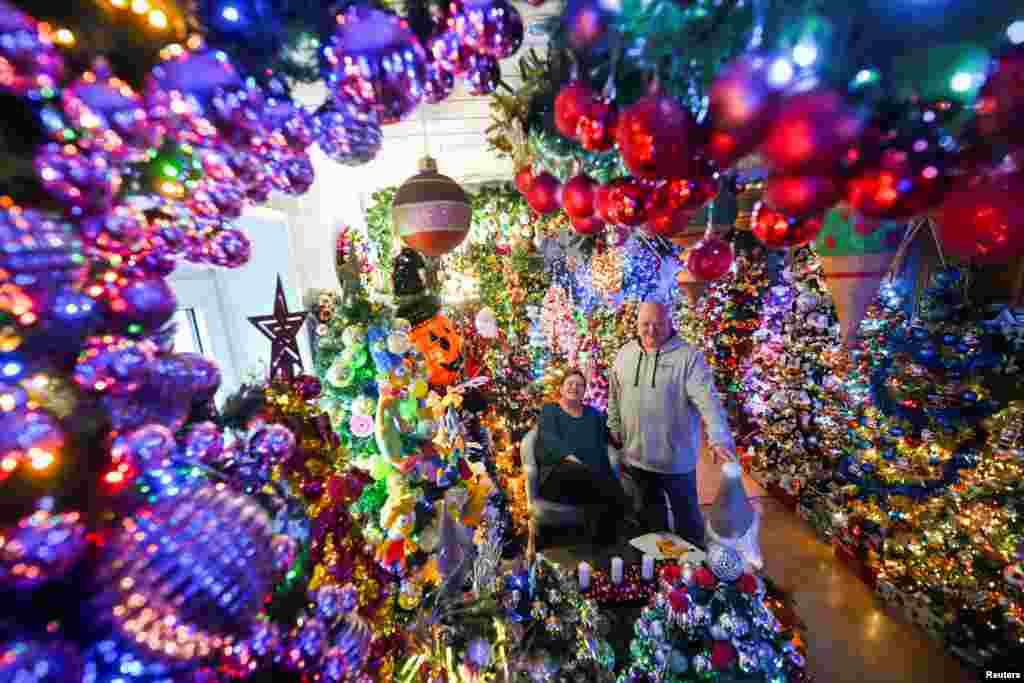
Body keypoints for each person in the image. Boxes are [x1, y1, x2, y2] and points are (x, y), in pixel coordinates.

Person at [608, 300, 736, 549]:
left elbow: (708, 401)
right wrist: (614, 427)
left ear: (669, 323)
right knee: (650, 526)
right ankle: (660, 569)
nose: (651, 330)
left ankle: (696, 568)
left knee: (688, 525)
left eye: (658, 324)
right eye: (645, 324)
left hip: (676, 462)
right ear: (637, 325)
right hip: (637, 459)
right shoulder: (624, 354)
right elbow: (614, 396)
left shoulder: (688, 357)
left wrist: (718, 437)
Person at [536, 369, 632, 546]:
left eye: (579, 385)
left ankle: (606, 541)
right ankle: (614, 536)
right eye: (570, 383)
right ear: (561, 388)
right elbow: (550, 441)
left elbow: (611, 436)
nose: (574, 387)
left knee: (603, 485)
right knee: (601, 484)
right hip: (558, 474)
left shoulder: (593, 414)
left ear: (584, 391)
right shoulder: (550, 410)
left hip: (591, 477)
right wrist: (575, 460)